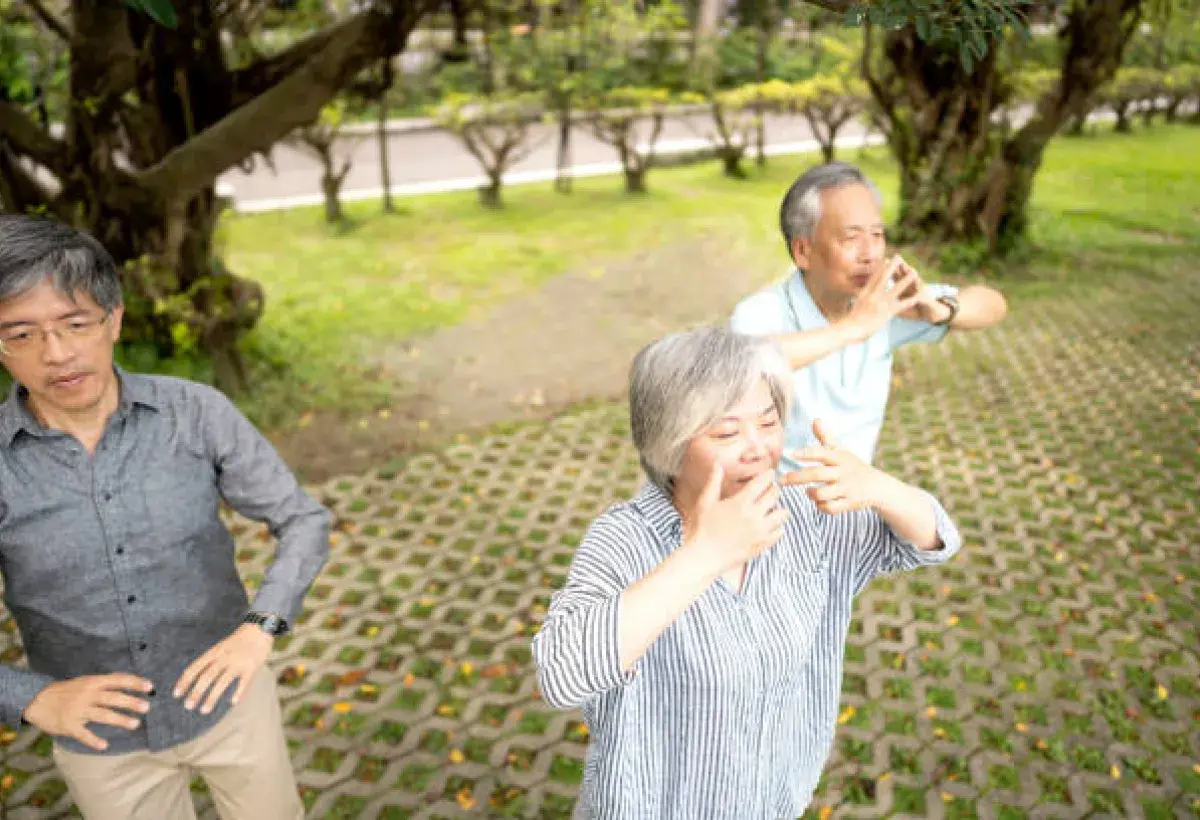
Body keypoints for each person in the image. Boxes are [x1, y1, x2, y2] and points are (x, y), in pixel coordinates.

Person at [532, 325, 962, 819]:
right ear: (668, 439)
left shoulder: (805, 515)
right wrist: (705, 553)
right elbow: (560, 675)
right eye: (727, 432)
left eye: (768, 421)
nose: (757, 448)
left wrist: (881, 488)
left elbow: (932, 540)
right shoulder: (626, 541)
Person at [0, 214, 330, 819]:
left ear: (114, 319)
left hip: (232, 702)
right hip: (101, 744)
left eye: (75, 324)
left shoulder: (196, 413)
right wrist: (32, 698)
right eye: (20, 334)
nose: (57, 354)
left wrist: (263, 627)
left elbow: (302, 519)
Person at [731, 160, 1008, 467]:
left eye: (877, 235)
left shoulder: (883, 301)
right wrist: (853, 328)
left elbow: (993, 303)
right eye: (851, 238)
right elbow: (741, 364)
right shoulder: (764, 311)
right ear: (803, 252)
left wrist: (938, 310)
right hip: (779, 502)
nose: (870, 254)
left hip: (856, 497)